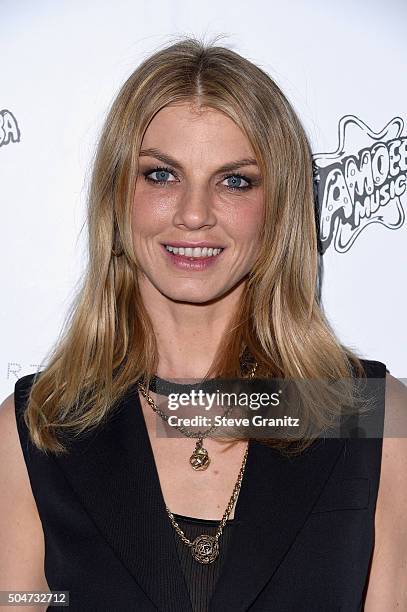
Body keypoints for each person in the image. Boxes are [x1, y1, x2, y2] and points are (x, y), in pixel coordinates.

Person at [1, 35, 406, 612]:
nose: (194, 213)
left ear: (280, 210)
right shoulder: (39, 429)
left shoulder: (370, 418)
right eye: (161, 176)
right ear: (118, 198)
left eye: (235, 181)